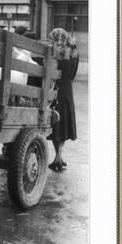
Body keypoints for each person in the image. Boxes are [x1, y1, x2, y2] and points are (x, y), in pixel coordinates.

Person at [47, 28, 79, 172]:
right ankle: (59, 156)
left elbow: (51, 72)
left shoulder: (55, 53)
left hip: (57, 89)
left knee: (56, 125)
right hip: (68, 90)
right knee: (64, 124)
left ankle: (58, 157)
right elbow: (73, 74)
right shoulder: (74, 53)